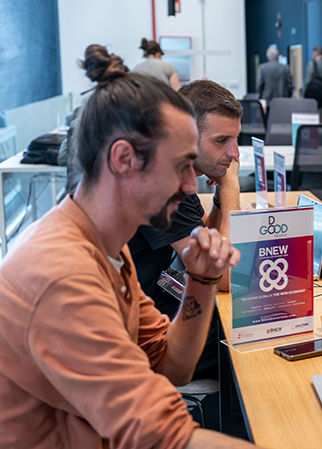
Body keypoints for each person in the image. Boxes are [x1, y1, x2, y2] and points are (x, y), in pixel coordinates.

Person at [0, 45, 322, 449]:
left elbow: (173, 364)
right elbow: (167, 436)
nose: (190, 184)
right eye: (181, 166)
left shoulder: (107, 248)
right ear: (124, 160)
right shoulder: (63, 275)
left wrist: (202, 279)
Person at [128, 79, 242, 380]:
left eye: (235, 139)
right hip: (142, 334)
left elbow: (202, 238)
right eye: (221, 141)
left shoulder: (171, 171)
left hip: (153, 305)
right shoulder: (163, 184)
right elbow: (228, 276)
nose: (234, 153)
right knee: (244, 333)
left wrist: (218, 201)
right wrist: (231, 189)